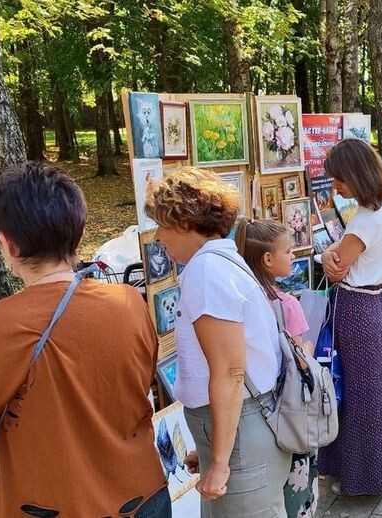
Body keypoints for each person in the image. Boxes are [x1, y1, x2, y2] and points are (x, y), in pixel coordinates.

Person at [0, 163, 170, 516]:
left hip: (47, 506)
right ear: (78, 231)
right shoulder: (129, 304)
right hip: (142, 495)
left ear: (6, 243)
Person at [146, 168, 289, 517]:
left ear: (183, 222)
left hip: (240, 434)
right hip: (239, 430)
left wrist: (222, 461)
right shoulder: (222, 261)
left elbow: (229, 371)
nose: (157, 238)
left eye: (161, 226)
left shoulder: (207, 272)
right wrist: (212, 451)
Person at [318, 139, 382, 496]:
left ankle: (360, 478)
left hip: (355, 308)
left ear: (356, 175)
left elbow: (336, 269)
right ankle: (367, 473)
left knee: (357, 393)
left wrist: (327, 254)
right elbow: (338, 255)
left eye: (340, 180)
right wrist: (330, 252)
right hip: (373, 303)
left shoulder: (364, 220)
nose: (337, 187)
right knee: (369, 391)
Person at [234, 219, 318, 518]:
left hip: (257, 416)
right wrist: (308, 349)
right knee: (296, 494)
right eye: (289, 250)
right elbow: (300, 358)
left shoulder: (242, 302)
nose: (293, 255)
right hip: (291, 416)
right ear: (268, 260)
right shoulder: (286, 305)